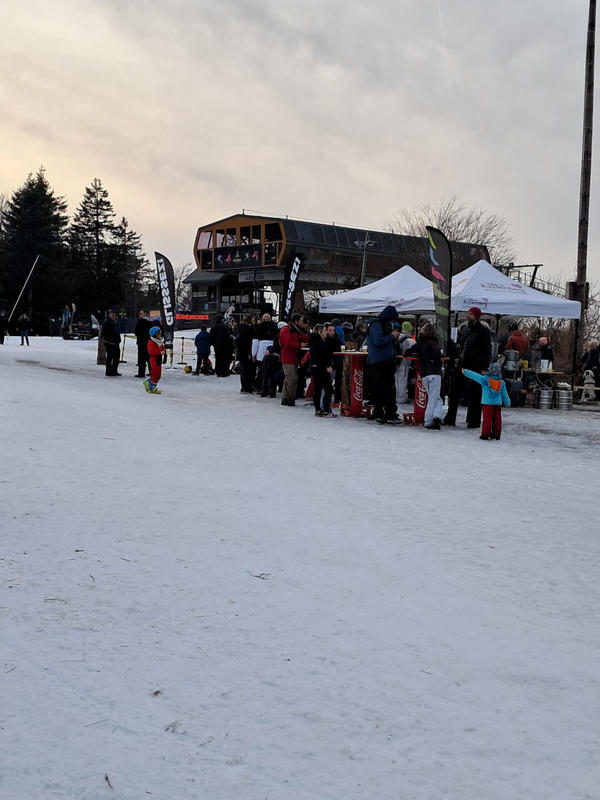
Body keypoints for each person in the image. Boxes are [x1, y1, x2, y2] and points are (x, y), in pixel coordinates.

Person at [366, 305, 402, 424]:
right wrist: (391, 336)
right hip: (381, 362)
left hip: (383, 361)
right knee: (384, 389)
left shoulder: (380, 324)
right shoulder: (377, 325)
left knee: (384, 389)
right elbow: (378, 341)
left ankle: (383, 412)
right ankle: (384, 413)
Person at [460, 306, 492, 429]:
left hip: (477, 366)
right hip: (465, 364)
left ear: (476, 316)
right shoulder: (466, 329)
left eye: (471, 314)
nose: (468, 315)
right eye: (468, 313)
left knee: (476, 393)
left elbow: (487, 350)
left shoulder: (483, 331)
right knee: (465, 393)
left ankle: (474, 420)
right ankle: (468, 418)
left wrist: (484, 367)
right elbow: (463, 345)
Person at [462, 362, 511, 440]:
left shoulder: (485, 379)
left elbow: (475, 376)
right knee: (497, 419)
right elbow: (505, 395)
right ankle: (496, 434)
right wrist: (508, 403)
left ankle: (485, 434)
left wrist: (465, 371)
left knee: (487, 419)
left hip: (487, 403)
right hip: (498, 404)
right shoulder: (501, 383)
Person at [409, 322, 443, 429]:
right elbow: (437, 353)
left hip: (424, 373)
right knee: (434, 398)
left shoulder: (420, 343)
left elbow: (409, 351)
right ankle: (430, 420)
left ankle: (435, 417)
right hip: (434, 372)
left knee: (434, 397)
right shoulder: (433, 342)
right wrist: (436, 362)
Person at [279, 313, 309, 406]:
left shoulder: (296, 330)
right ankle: (290, 399)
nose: (302, 322)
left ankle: (285, 399)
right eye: (300, 321)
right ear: (295, 321)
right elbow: (287, 343)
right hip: (288, 358)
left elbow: (305, 337)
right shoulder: (286, 330)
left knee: (288, 379)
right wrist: (299, 345)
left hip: (293, 358)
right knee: (292, 379)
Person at [309, 323, 334, 416]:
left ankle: (318, 409)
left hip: (316, 367)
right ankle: (325, 409)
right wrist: (327, 365)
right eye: (324, 330)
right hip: (320, 368)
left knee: (318, 389)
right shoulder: (318, 342)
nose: (326, 332)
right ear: (320, 332)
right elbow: (321, 356)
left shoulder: (317, 341)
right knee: (327, 389)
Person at [252, 313, 278, 389]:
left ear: (263, 319)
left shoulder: (259, 327)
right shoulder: (275, 327)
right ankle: (271, 387)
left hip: (261, 351)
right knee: (272, 371)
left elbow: (255, 342)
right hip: (272, 350)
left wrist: (254, 354)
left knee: (261, 370)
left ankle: (260, 386)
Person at [394, 321, 415, 404]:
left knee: (396, 381)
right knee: (403, 381)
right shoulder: (410, 340)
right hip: (404, 363)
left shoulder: (396, 337)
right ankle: (401, 398)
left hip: (395, 362)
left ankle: (394, 397)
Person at [236, 314, 256, 392]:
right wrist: (249, 353)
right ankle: (247, 387)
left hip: (241, 352)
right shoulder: (248, 329)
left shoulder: (240, 328)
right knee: (248, 370)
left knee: (244, 370)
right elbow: (248, 342)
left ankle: (244, 387)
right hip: (246, 352)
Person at [145, 326, 166, 394]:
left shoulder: (159, 341)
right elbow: (151, 352)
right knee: (155, 374)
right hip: (154, 359)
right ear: (154, 334)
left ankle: (149, 383)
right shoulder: (151, 342)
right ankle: (151, 387)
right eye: (158, 333)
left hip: (158, 359)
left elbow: (162, 347)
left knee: (158, 375)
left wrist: (163, 351)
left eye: (160, 333)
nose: (160, 335)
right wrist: (159, 352)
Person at [101, 309, 121, 376]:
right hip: (109, 343)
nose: (114, 316)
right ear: (109, 315)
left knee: (116, 357)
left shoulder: (115, 322)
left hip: (116, 343)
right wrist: (109, 340)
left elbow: (117, 332)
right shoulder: (107, 323)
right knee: (110, 357)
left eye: (115, 315)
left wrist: (118, 339)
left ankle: (114, 371)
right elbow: (103, 333)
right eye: (112, 315)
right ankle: (109, 371)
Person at [134, 310, 152, 378]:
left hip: (142, 342)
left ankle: (141, 373)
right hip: (148, 342)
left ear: (145, 314)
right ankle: (151, 371)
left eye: (141, 313)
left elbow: (136, 331)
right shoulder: (151, 322)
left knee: (141, 359)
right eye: (140, 313)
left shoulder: (141, 321)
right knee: (148, 358)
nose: (140, 315)